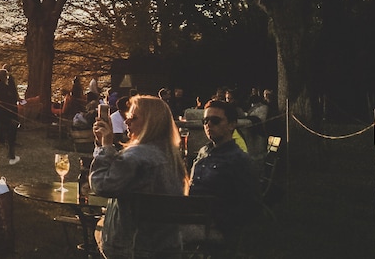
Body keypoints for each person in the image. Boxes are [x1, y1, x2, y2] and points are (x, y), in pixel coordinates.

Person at [90, 96, 189, 258]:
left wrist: (105, 146)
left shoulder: (136, 156)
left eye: (133, 117)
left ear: (151, 123)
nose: (126, 122)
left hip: (132, 246)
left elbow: (101, 186)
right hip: (167, 245)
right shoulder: (171, 157)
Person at [188, 100, 259, 239]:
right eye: (205, 121)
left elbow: (251, 205)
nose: (208, 125)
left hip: (214, 228)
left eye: (215, 121)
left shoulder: (238, 160)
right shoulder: (204, 151)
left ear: (232, 125)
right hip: (191, 217)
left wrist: (221, 221)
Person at [0, 68, 20, 168]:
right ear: (5, 77)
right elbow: (13, 103)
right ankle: (11, 157)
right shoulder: (8, 89)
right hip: (8, 115)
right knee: (11, 136)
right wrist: (15, 116)